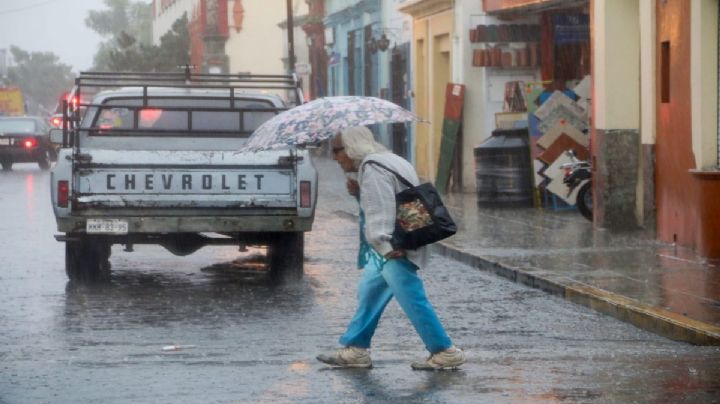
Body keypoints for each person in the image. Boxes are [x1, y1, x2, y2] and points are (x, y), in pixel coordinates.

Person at [316, 126, 465, 371]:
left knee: (412, 298)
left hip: (394, 246)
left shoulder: (372, 168)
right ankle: (356, 348)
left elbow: (380, 210)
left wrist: (384, 244)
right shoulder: (389, 159)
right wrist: (360, 192)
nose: (334, 157)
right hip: (402, 239)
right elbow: (394, 197)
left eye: (337, 151)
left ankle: (443, 350)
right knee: (369, 292)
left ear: (352, 149)